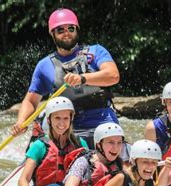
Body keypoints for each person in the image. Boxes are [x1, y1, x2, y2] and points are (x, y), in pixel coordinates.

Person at [11, 8, 120, 149]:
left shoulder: (96, 51)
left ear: (77, 30)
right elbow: (31, 101)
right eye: (60, 30)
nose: (66, 33)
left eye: (70, 28)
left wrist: (82, 78)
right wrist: (21, 122)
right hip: (66, 125)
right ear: (53, 34)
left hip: (102, 118)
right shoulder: (44, 65)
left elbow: (113, 75)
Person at [18, 96, 88, 186]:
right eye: (57, 118)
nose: (62, 123)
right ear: (49, 120)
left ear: (71, 119)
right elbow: (22, 180)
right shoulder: (39, 145)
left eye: (66, 118)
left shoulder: (80, 144)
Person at [64, 122, 125, 186]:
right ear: (99, 145)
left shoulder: (120, 165)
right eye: (111, 142)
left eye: (119, 142)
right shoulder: (83, 162)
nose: (116, 148)